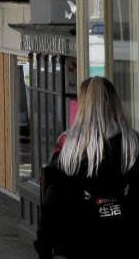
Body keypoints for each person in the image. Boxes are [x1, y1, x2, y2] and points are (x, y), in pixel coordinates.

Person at [36, 76, 139, 259]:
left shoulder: (70, 145)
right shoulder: (133, 144)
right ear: (114, 102)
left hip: (78, 242)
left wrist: (44, 246)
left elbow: (52, 200)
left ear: (83, 105)